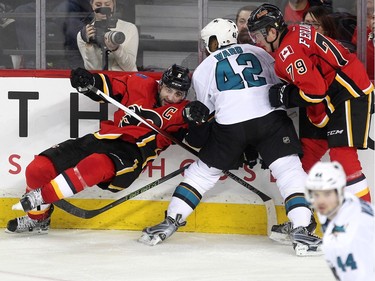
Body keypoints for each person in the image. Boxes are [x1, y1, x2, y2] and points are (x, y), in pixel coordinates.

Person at [138, 18, 322, 256]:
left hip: (230, 126)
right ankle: (300, 230)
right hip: (270, 120)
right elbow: (281, 86)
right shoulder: (259, 51)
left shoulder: (204, 68)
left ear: (213, 42)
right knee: (289, 171)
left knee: (202, 173)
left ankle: (170, 221)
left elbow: (205, 112)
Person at [6, 64, 193, 234]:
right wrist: (87, 80)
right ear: (161, 85)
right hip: (102, 139)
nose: (171, 97)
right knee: (38, 169)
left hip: (131, 154)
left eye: (178, 94)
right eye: (169, 90)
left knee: (95, 165)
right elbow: (105, 87)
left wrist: (199, 123)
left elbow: (197, 137)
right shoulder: (139, 83)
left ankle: (40, 197)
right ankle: (38, 220)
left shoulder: (185, 113)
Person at [247, 3, 374, 243]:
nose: (257, 41)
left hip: (348, 92)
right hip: (327, 99)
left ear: (272, 32)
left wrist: (286, 96)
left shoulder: (287, 53)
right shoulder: (293, 35)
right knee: (301, 164)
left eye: (259, 35)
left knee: (343, 160)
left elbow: (314, 91)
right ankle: (303, 220)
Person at [305, 161, 374, 280]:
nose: (321, 201)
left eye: (327, 194)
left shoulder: (354, 227)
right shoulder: (344, 204)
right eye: (316, 194)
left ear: (340, 191)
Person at [77, 0, 138, 71]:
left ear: (113, 5)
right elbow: (92, 70)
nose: (103, 8)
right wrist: (89, 45)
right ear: (92, 6)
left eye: (107, 4)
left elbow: (129, 68)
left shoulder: (129, 29)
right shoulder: (85, 34)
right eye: (98, 5)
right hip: (100, 80)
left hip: (124, 80)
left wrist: (116, 49)